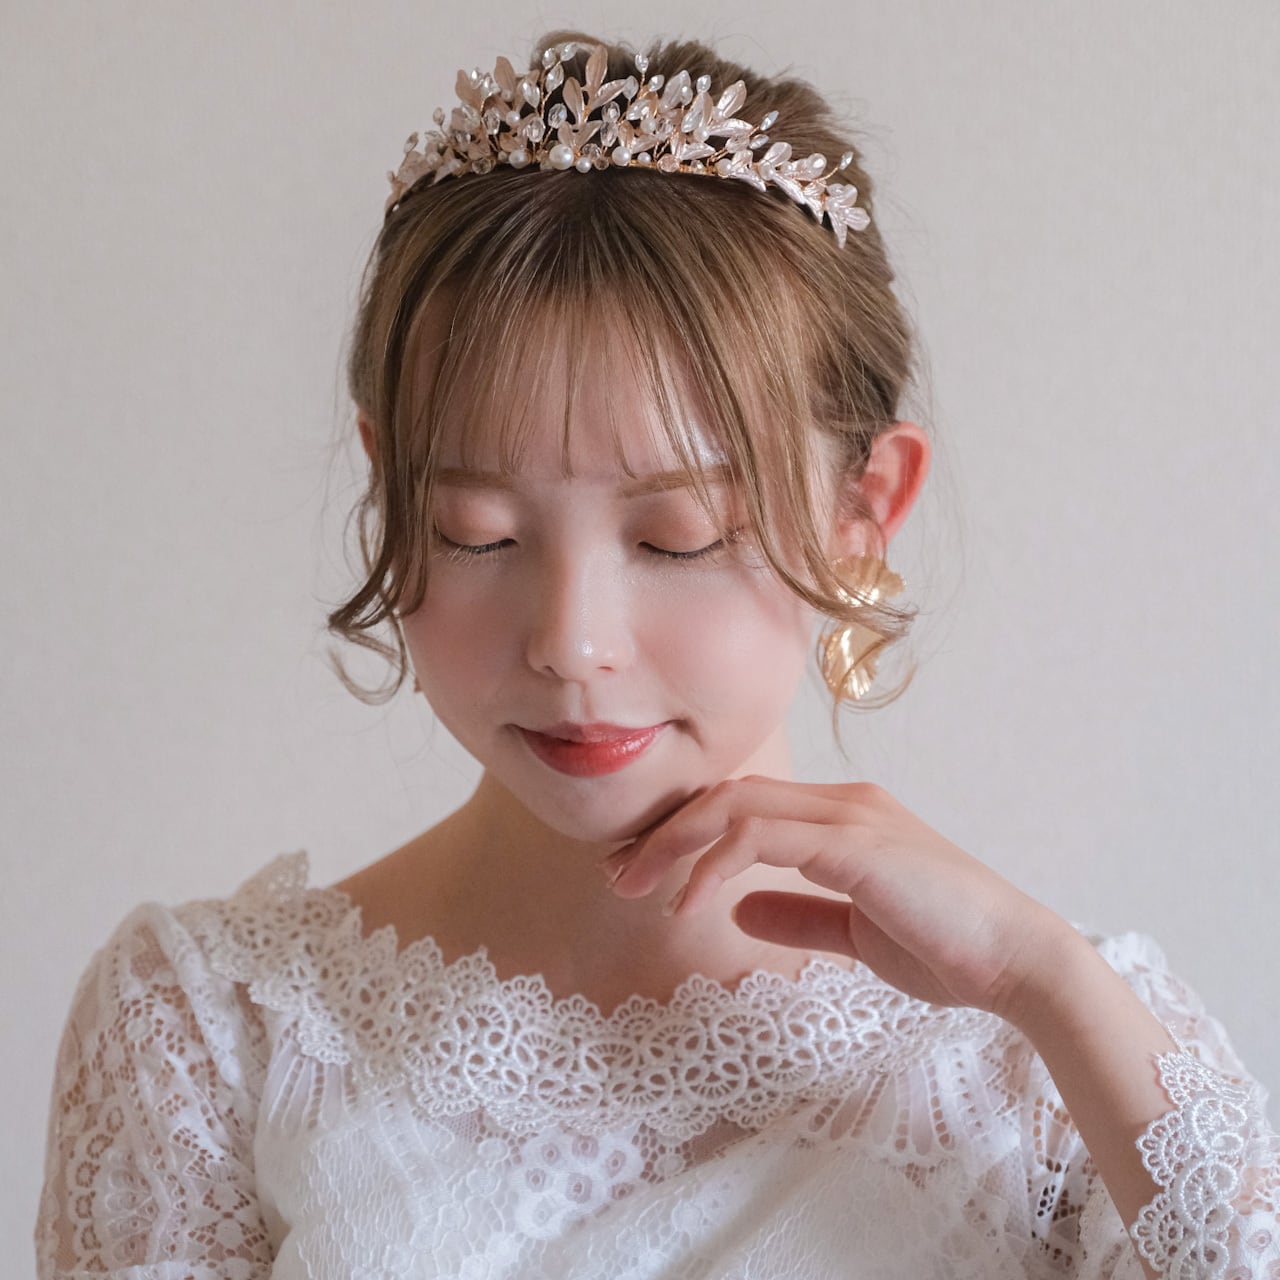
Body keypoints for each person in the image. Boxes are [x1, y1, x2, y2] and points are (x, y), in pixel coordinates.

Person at [35, 31, 1279, 1280]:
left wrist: (1042, 981)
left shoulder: (1047, 1051)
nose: (570, 643)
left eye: (677, 538)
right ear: (389, 488)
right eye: (479, 531)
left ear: (861, 510)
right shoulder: (214, 1026)